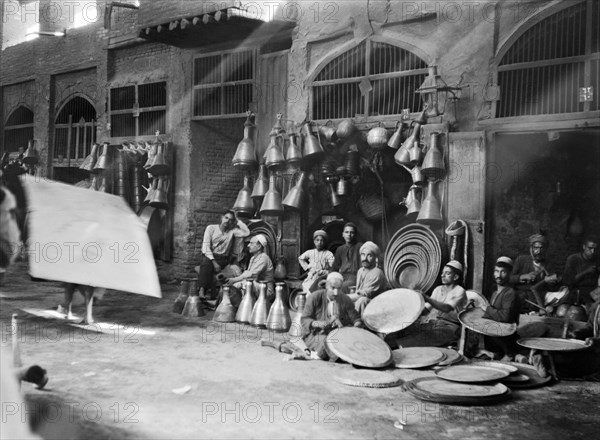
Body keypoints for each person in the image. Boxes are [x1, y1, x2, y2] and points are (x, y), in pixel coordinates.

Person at [394, 261, 467, 349]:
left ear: (455, 277)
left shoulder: (460, 291)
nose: (442, 275)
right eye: (442, 273)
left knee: (420, 338)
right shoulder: (438, 289)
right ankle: (394, 344)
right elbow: (426, 310)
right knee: (405, 331)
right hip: (434, 323)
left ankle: (400, 346)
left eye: (447, 273)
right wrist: (414, 303)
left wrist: (427, 298)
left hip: (451, 328)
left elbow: (447, 308)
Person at [300, 272, 364, 360]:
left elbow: (356, 319)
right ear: (326, 286)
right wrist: (318, 323)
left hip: (338, 334)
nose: (336, 292)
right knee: (327, 343)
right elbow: (304, 319)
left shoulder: (345, 299)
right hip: (316, 334)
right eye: (333, 288)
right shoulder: (314, 297)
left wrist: (356, 326)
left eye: (339, 289)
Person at [196, 209, 250, 299]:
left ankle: (212, 295)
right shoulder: (211, 228)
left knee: (209, 267)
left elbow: (246, 232)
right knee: (206, 263)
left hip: (223, 259)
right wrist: (214, 262)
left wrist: (237, 219)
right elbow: (205, 247)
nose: (227, 221)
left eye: (230, 220)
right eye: (226, 218)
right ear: (222, 218)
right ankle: (202, 291)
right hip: (209, 257)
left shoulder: (232, 231)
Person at [482, 256, 520, 361]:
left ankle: (510, 354)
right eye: (496, 271)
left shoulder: (510, 293)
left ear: (509, 274)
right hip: (495, 339)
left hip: (506, 337)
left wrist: (488, 309)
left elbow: (505, 316)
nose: (498, 275)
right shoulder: (495, 293)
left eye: (503, 272)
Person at [510, 233, 560, 312]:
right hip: (521, 297)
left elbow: (553, 287)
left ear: (545, 250)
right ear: (531, 248)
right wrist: (522, 277)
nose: (538, 251)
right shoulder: (521, 260)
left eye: (541, 248)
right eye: (536, 248)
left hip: (539, 298)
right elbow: (509, 279)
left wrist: (550, 282)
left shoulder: (549, 264)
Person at [224, 234, 274, 307]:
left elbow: (250, 275)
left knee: (246, 284)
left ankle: (246, 308)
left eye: (251, 243)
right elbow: (248, 275)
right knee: (234, 286)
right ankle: (234, 306)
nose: (248, 245)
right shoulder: (253, 258)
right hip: (257, 286)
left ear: (259, 246)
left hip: (266, 290)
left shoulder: (263, 258)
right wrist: (235, 282)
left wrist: (234, 279)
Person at [347, 241, 386, 315]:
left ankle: (360, 323)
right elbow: (358, 291)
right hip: (359, 300)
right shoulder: (360, 271)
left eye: (369, 255)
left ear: (375, 258)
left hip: (375, 305)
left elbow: (364, 294)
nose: (364, 258)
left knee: (362, 300)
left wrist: (345, 298)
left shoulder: (377, 273)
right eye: (363, 254)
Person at [562, 236, 599, 307]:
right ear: (584, 247)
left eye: (595, 249)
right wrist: (586, 272)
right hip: (576, 293)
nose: (592, 252)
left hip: (592, 293)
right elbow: (568, 282)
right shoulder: (573, 259)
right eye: (590, 248)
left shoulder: (597, 259)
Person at [298, 230, 335, 295]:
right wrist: (307, 267)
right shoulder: (310, 252)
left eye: (322, 240)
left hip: (322, 277)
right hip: (311, 277)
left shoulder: (328, 254)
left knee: (320, 290)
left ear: (325, 242)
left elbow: (333, 266)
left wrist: (325, 272)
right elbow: (301, 258)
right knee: (306, 287)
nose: (319, 242)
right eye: (317, 240)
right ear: (314, 241)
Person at [331, 222, 363, 292]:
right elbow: (335, 267)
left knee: (341, 287)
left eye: (352, 232)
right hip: (342, 276)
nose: (349, 235)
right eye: (346, 232)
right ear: (343, 234)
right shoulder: (340, 249)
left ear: (355, 235)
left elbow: (363, 268)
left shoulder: (360, 247)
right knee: (322, 282)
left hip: (355, 277)